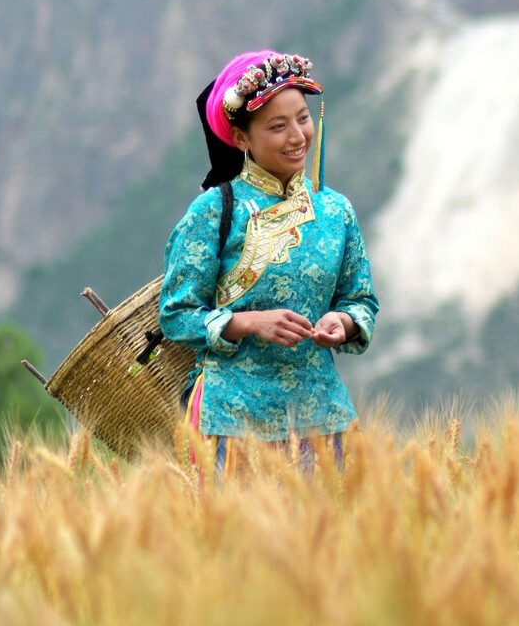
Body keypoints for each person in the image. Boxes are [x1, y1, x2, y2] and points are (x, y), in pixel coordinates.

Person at [160, 51, 379, 473]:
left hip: (322, 417)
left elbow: (361, 299)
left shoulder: (335, 211)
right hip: (231, 421)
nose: (297, 136)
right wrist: (250, 322)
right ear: (241, 138)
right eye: (278, 126)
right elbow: (176, 315)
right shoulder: (212, 212)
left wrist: (343, 322)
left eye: (302, 118)